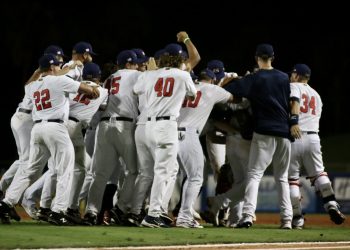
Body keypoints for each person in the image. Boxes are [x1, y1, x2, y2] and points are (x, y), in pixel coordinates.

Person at [0, 54, 99, 224]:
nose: (61, 68)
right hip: (56, 128)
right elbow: (89, 90)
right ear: (52, 67)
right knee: (65, 170)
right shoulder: (58, 81)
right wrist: (94, 91)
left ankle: (7, 202)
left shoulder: (33, 86)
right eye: (59, 65)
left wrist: (38, 71)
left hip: (37, 129)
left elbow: (27, 85)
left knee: (30, 170)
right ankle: (58, 210)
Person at [225, 43, 293, 229]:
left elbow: (231, 89)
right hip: (285, 132)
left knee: (254, 174)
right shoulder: (284, 77)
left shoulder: (255, 78)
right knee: (282, 178)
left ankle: (247, 216)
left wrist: (238, 79)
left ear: (256, 58)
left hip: (264, 131)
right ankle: (287, 220)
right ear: (273, 57)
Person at [133, 43, 197, 228]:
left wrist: (151, 73)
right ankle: (152, 214)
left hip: (149, 126)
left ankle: (157, 210)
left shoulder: (150, 73)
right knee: (163, 171)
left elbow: (136, 89)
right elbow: (192, 95)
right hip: (166, 125)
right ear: (180, 59)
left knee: (169, 169)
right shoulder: (183, 74)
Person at [288, 63, 346, 228]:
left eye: (292, 74)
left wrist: (293, 121)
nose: (291, 76)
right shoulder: (317, 94)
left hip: (294, 135)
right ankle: (332, 204)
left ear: (297, 75)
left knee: (292, 180)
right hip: (313, 137)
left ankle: (297, 218)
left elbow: (295, 102)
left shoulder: (294, 87)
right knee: (319, 174)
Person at [175, 69, 234, 228]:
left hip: (169, 132)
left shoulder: (186, 86)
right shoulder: (212, 89)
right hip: (188, 134)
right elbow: (233, 98)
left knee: (171, 175)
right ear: (213, 80)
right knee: (195, 177)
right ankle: (184, 216)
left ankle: (156, 212)